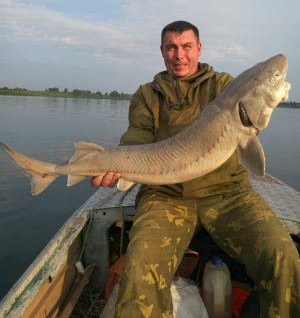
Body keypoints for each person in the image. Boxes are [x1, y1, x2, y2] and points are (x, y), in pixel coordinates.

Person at [91, 21, 300, 317]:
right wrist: (118, 165)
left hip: (228, 193)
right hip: (166, 196)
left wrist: (256, 122)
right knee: (139, 267)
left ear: (198, 49)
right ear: (162, 51)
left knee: (284, 257)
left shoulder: (223, 85)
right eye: (172, 48)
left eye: (187, 47)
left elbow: (251, 144)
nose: (179, 55)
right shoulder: (146, 96)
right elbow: (137, 136)